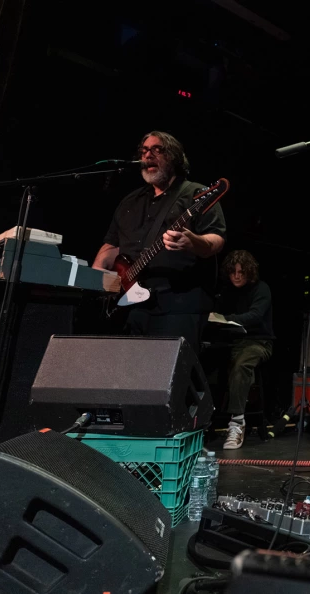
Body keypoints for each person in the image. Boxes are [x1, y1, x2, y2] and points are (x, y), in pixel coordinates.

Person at [92, 131, 226, 355]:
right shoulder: (130, 201)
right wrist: (98, 278)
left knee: (166, 378)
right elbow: (112, 245)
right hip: (130, 308)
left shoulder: (195, 193)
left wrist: (192, 242)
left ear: (173, 156)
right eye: (144, 151)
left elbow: (216, 239)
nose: (148, 155)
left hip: (179, 306)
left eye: (157, 149)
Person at [209, 250, 275, 450]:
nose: (237, 276)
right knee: (202, 362)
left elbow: (255, 316)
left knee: (241, 365)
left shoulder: (261, 289)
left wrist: (228, 319)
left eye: (241, 272)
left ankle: (237, 423)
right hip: (231, 342)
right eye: (233, 272)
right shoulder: (227, 291)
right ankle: (203, 422)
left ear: (249, 272)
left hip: (258, 342)